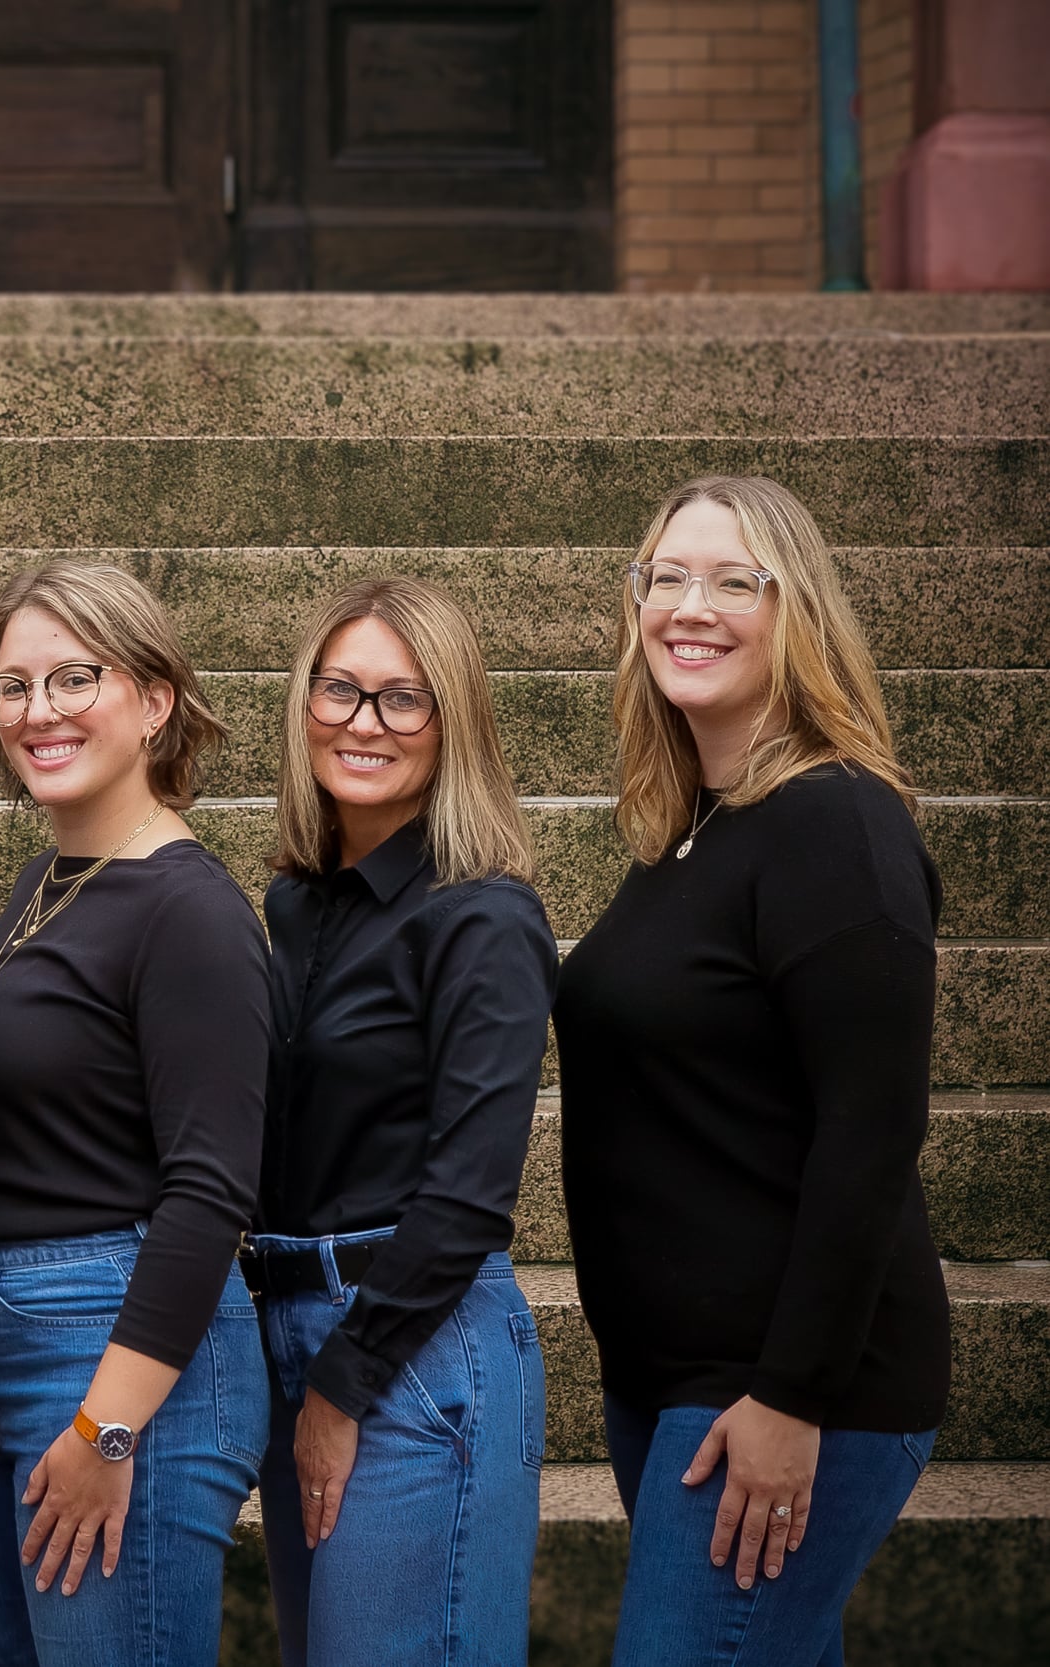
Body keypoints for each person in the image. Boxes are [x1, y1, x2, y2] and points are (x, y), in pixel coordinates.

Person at [554, 476, 950, 1665]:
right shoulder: (694, 827)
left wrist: (789, 1398)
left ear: (797, 612)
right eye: (665, 576)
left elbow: (870, 1132)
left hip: (779, 1396)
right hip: (671, 1388)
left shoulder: (837, 823)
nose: (690, 604)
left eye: (735, 580)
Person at [0, 561, 271, 1666]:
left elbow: (210, 1186)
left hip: (122, 1360)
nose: (37, 711)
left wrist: (105, 1422)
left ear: (154, 699)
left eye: (73, 677)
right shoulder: (52, 875)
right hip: (20, 1350)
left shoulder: (187, 907)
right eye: (11, 686)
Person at [251, 576, 556, 1666]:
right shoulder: (293, 902)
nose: (361, 721)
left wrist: (343, 1380)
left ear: (452, 721)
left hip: (413, 1345)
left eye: (400, 698)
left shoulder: (483, 915)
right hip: (286, 1322)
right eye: (339, 689)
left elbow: (470, 1190)